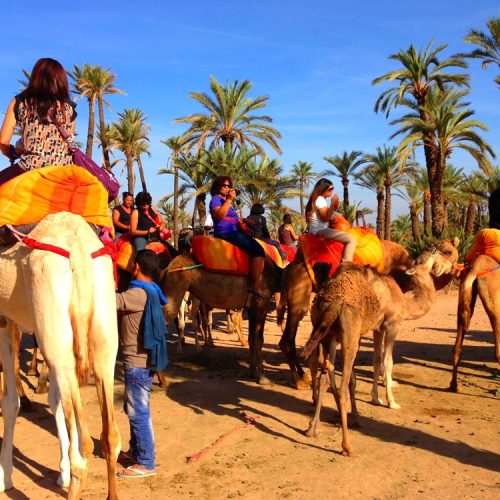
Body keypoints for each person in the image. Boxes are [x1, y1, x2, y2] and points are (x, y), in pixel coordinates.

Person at [116, 249, 167, 478]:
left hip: (136, 362)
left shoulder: (137, 294)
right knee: (133, 408)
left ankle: (146, 463)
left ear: (136, 267)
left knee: (138, 411)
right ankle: (136, 452)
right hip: (142, 361)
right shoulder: (153, 290)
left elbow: (108, 301)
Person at [0, 58, 77, 185]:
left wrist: (11, 154)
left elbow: (3, 140)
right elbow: (68, 143)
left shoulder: (20, 102)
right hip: (62, 171)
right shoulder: (68, 108)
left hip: (30, 167)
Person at [209, 176, 267, 299]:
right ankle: (255, 284)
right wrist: (229, 200)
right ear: (218, 186)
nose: (227, 188)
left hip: (234, 230)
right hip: (226, 233)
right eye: (224, 185)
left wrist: (244, 220)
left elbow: (230, 218)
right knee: (258, 250)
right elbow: (219, 216)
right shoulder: (216, 199)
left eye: (229, 186)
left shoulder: (225, 202)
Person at [305, 177, 356, 262]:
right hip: (320, 230)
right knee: (351, 239)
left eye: (332, 189)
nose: (332, 191)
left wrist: (334, 207)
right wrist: (332, 204)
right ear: (323, 189)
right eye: (330, 189)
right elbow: (325, 218)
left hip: (317, 230)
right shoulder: (320, 199)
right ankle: (346, 265)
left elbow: (327, 214)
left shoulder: (317, 200)